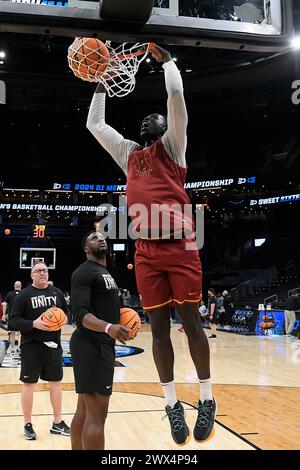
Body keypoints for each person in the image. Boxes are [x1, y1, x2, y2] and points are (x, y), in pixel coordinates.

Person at [86, 44, 215, 444]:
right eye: (145, 117)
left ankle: (207, 398)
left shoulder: (174, 145)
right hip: (146, 251)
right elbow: (96, 126)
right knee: (157, 329)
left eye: (152, 116)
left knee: (191, 323)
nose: (148, 118)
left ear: (163, 126)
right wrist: (100, 83)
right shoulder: (129, 154)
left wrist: (169, 63)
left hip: (180, 245)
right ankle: (172, 405)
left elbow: (174, 97)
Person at [70, 231, 130, 450]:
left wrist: (121, 318)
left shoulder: (104, 273)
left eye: (102, 237)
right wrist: (108, 327)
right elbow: (79, 314)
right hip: (91, 344)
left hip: (98, 345)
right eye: (94, 238)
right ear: (86, 248)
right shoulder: (83, 272)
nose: (101, 239)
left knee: (84, 411)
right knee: (97, 416)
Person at [9, 261, 70, 440]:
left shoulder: (57, 293)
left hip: (53, 345)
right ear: (31, 275)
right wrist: (33, 324)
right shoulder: (24, 295)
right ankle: (27, 424)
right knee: (29, 384)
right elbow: (13, 321)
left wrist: (61, 322)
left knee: (56, 383)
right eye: (38, 271)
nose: (42, 273)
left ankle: (57, 423)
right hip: (31, 345)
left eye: (45, 270)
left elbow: (65, 316)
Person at [2, 281, 22, 355]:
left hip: (12, 317)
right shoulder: (23, 294)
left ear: (14, 286)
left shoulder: (9, 294)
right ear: (20, 286)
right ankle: (19, 348)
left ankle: (12, 349)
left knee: (12, 334)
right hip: (21, 317)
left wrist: (4, 315)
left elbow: (4, 305)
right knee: (20, 333)